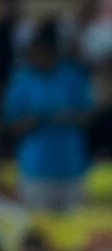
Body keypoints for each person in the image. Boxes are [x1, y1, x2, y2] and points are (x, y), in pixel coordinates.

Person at [2, 21, 92, 210]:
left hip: (71, 165)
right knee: (39, 229)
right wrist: (33, 121)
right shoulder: (21, 80)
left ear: (54, 52)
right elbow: (10, 127)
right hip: (35, 168)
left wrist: (67, 116)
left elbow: (89, 115)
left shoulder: (72, 75)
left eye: (46, 52)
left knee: (74, 231)